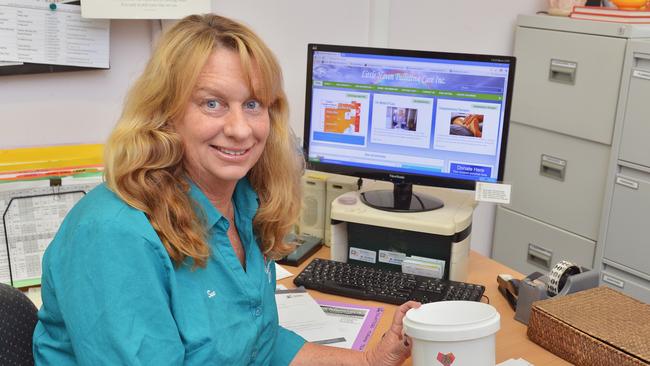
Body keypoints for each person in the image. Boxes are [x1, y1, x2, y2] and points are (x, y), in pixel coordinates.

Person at [32, 14, 420, 365]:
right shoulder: (115, 235)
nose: (240, 129)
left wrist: (371, 360)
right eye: (213, 103)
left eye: (253, 104)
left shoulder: (245, 200)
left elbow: (257, 345)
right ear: (165, 113)